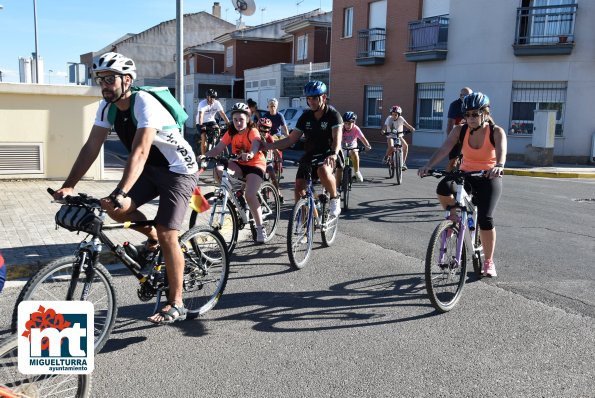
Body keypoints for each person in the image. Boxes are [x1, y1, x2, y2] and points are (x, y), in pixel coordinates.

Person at [54, 52, 199, 325]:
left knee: (170, 233)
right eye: (100, 80)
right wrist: (69, 185)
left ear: (127, 80)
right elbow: (91, 147)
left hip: (178, 170)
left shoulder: (144, 102)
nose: (105, 85)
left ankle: (176, 301)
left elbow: (141, 150)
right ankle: (152, 238)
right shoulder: (105, 107)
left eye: (110, 79)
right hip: (151, 169)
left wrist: (121, 190)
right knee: (114, 210)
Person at [418, 92, 507, 277]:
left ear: (485, 113)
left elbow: (501, 151)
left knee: (485, 218)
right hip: (465, 174)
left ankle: (489, 261)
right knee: (443, 187)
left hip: (488, 176)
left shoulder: (495, 131)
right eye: (467, 114)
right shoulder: (460, 130)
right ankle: (453, 218)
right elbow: (445, 148)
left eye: (475, 114)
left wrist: (498, 165)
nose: (470, 118)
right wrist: (428, 165)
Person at [264, 80, 343, 217]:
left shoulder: (333, 115)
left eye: (314, 98)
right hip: (311, 154)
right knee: (299, 186)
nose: (310, 101)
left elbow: (337, 138)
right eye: (308, 98)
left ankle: (334, 198)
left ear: (323, 98)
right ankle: (305, 221)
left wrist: (334, 154)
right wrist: (268, 146)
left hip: (328, 153)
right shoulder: (305, 116)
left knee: (323, 170)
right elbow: (290, 139)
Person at [203, 103, 269, 243]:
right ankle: (237, 195)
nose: (238, 122)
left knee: (250, 195)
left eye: (241, 119)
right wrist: (205, 155)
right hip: (239, 163)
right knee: (219, 170)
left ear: (247, 119)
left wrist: (251, 153)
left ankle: (260, 227)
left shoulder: (252, 130)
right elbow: (219, 148)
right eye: (235, 119)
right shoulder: (231, 132)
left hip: (255, 164)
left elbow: (256, 144)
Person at [336, 111, 371, 184]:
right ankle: (339, 180)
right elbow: (335, 137)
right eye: (345, 123)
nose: (347, 125)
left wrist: (367, 146)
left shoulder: (356, 129)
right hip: (343, 148)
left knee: (355, 153)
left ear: (354, 122)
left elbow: (362, 138)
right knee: (342, 164)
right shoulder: (341, 128)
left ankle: (357, 172)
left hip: (352, 148)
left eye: (349, 123)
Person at [257, 117, 284, 203]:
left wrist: (279, 158)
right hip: (258, 162)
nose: (264, 132)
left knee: (272, 175)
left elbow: (275, 149)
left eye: (266, 130)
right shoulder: (256, 137)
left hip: (268, 162)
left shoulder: (270, 138)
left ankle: (278, 192)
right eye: (262, 130)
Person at [446, 87, 473, 171]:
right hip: (458, 136)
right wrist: (450, 139)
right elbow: (450, 123)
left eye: (466, 95)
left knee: (468, 162)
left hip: (471, 137)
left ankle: (464, 180)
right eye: (461, 95)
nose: (463, 96)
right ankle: (449, 180)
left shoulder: (474, 105)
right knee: (453, 161)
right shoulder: (455, 105)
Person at [196, 88, 229, 156]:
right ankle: (203, 157)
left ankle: (212, 142)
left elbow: (222, 113)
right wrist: (201, 125)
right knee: (204, 137)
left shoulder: (217, 103)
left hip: (211, 121)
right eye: (211, 97)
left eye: (214, 97)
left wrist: (228, 123)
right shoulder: (202, 103)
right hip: (201, 122)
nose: (213, 99)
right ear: (207, 97)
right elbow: (201, 115)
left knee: (217, 130)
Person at [381, 105, 415, 170]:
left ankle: (403, 163)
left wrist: (412, 128)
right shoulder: (389, 118)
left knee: (405, 146)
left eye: (396, 115)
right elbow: (385, 126)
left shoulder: (401, 119)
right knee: (391, 146)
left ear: (399, 115)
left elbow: (407, 125)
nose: (394, 116)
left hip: (399, 136)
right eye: (393, 114)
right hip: (390, 136)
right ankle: (386, 157)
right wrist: (383, 130)